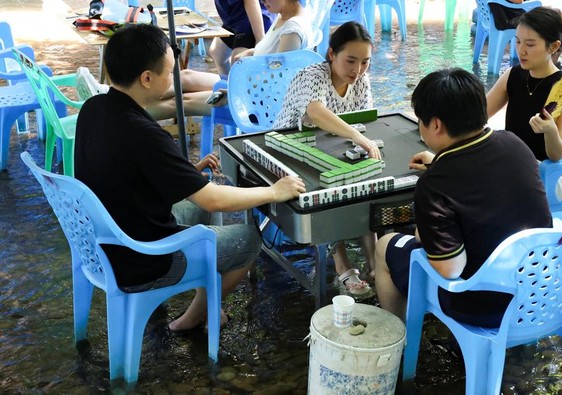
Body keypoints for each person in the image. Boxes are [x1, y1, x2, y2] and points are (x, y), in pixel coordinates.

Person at [74, 24, 306, 333]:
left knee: (201, 208)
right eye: (169, 73)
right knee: (249, 241)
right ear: (146, 78)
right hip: (141, 259)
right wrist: (274, 191)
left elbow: (126, 175)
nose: (174, 80)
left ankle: (204, 297)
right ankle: (194, 318)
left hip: (104, 239)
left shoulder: (93, 108)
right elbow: (213, 199)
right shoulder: (144, 134)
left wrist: (189, 171)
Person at [374, 68, 553, 324]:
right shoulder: (515, 144)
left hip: (480, 305)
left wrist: (423, 232)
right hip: (538, 290)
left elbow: (450, 268)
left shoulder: (434, 185)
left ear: (435, 124)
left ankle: (396, 339)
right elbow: (486, 181)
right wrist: (438, 163)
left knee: (386, 245)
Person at [274, 21, 381, 295]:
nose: (357, 70)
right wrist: (358, 139)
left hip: (335, 147)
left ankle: (374, 262)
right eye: (351, 61)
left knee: (365, 187)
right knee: (328, 193)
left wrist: (358, 139)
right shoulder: (312, 76)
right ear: (332, 54)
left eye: (365, 62)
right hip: (292, 148)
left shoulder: (361, 81)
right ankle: (341, 261)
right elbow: (316, 112)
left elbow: (363, 121)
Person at [142, 0, 314, 120]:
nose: (262, 2)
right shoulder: (283, 15)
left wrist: (234, 90)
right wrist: (249, 53)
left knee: (182, 102)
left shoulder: (293, 31)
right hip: (245, 85)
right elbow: (269, 54)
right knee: (185, 76)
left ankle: (126, 115)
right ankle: (132, 100)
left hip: (258, 102)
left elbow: (275, 82)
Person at [486, 6, 562, 202]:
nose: (521, 51)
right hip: (515, 163)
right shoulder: (513, 75)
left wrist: (550, 131)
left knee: (488, 183)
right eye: (518, 41)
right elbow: (478, 114)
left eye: (530, 44)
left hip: (554, 175)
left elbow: (557, 155)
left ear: (553, 47)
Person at [210, 0, 273, 76]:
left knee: (238, 63)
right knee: (216, 52)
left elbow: (251, 2)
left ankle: (236, 85)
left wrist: (260, 39)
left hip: (250, 21)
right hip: (233, 20)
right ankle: (227, 83)